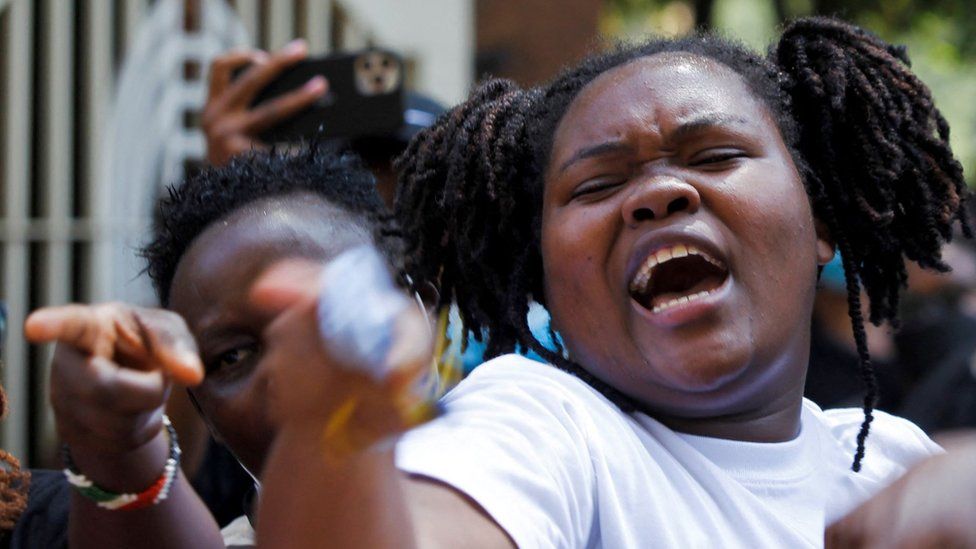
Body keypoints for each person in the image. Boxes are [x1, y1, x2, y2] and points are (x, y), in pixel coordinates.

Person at [244, 16, 976, 547]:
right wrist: (333, 436)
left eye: (715, 154)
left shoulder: (894, 458)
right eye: (596, 186)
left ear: (819, 222)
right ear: (546, 279)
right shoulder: (544, 423)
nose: (657, 194)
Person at [24, 145, 419, 548]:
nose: (285, 369)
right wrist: (119, 444)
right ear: (205, 413)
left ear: (422, 303)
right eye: (233, 357)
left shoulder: (486, 437)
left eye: (325, 313)